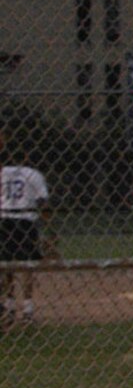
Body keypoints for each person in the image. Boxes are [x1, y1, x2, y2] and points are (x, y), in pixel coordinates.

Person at [0, 132, 52, 327]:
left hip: (4, 219)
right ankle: (28, 310)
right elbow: (43, 203)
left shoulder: (2, 172)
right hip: (26, 221)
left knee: (6, 265)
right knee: (28, 265)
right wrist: (48, 227)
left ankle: (10, 306)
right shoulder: (33, 174)